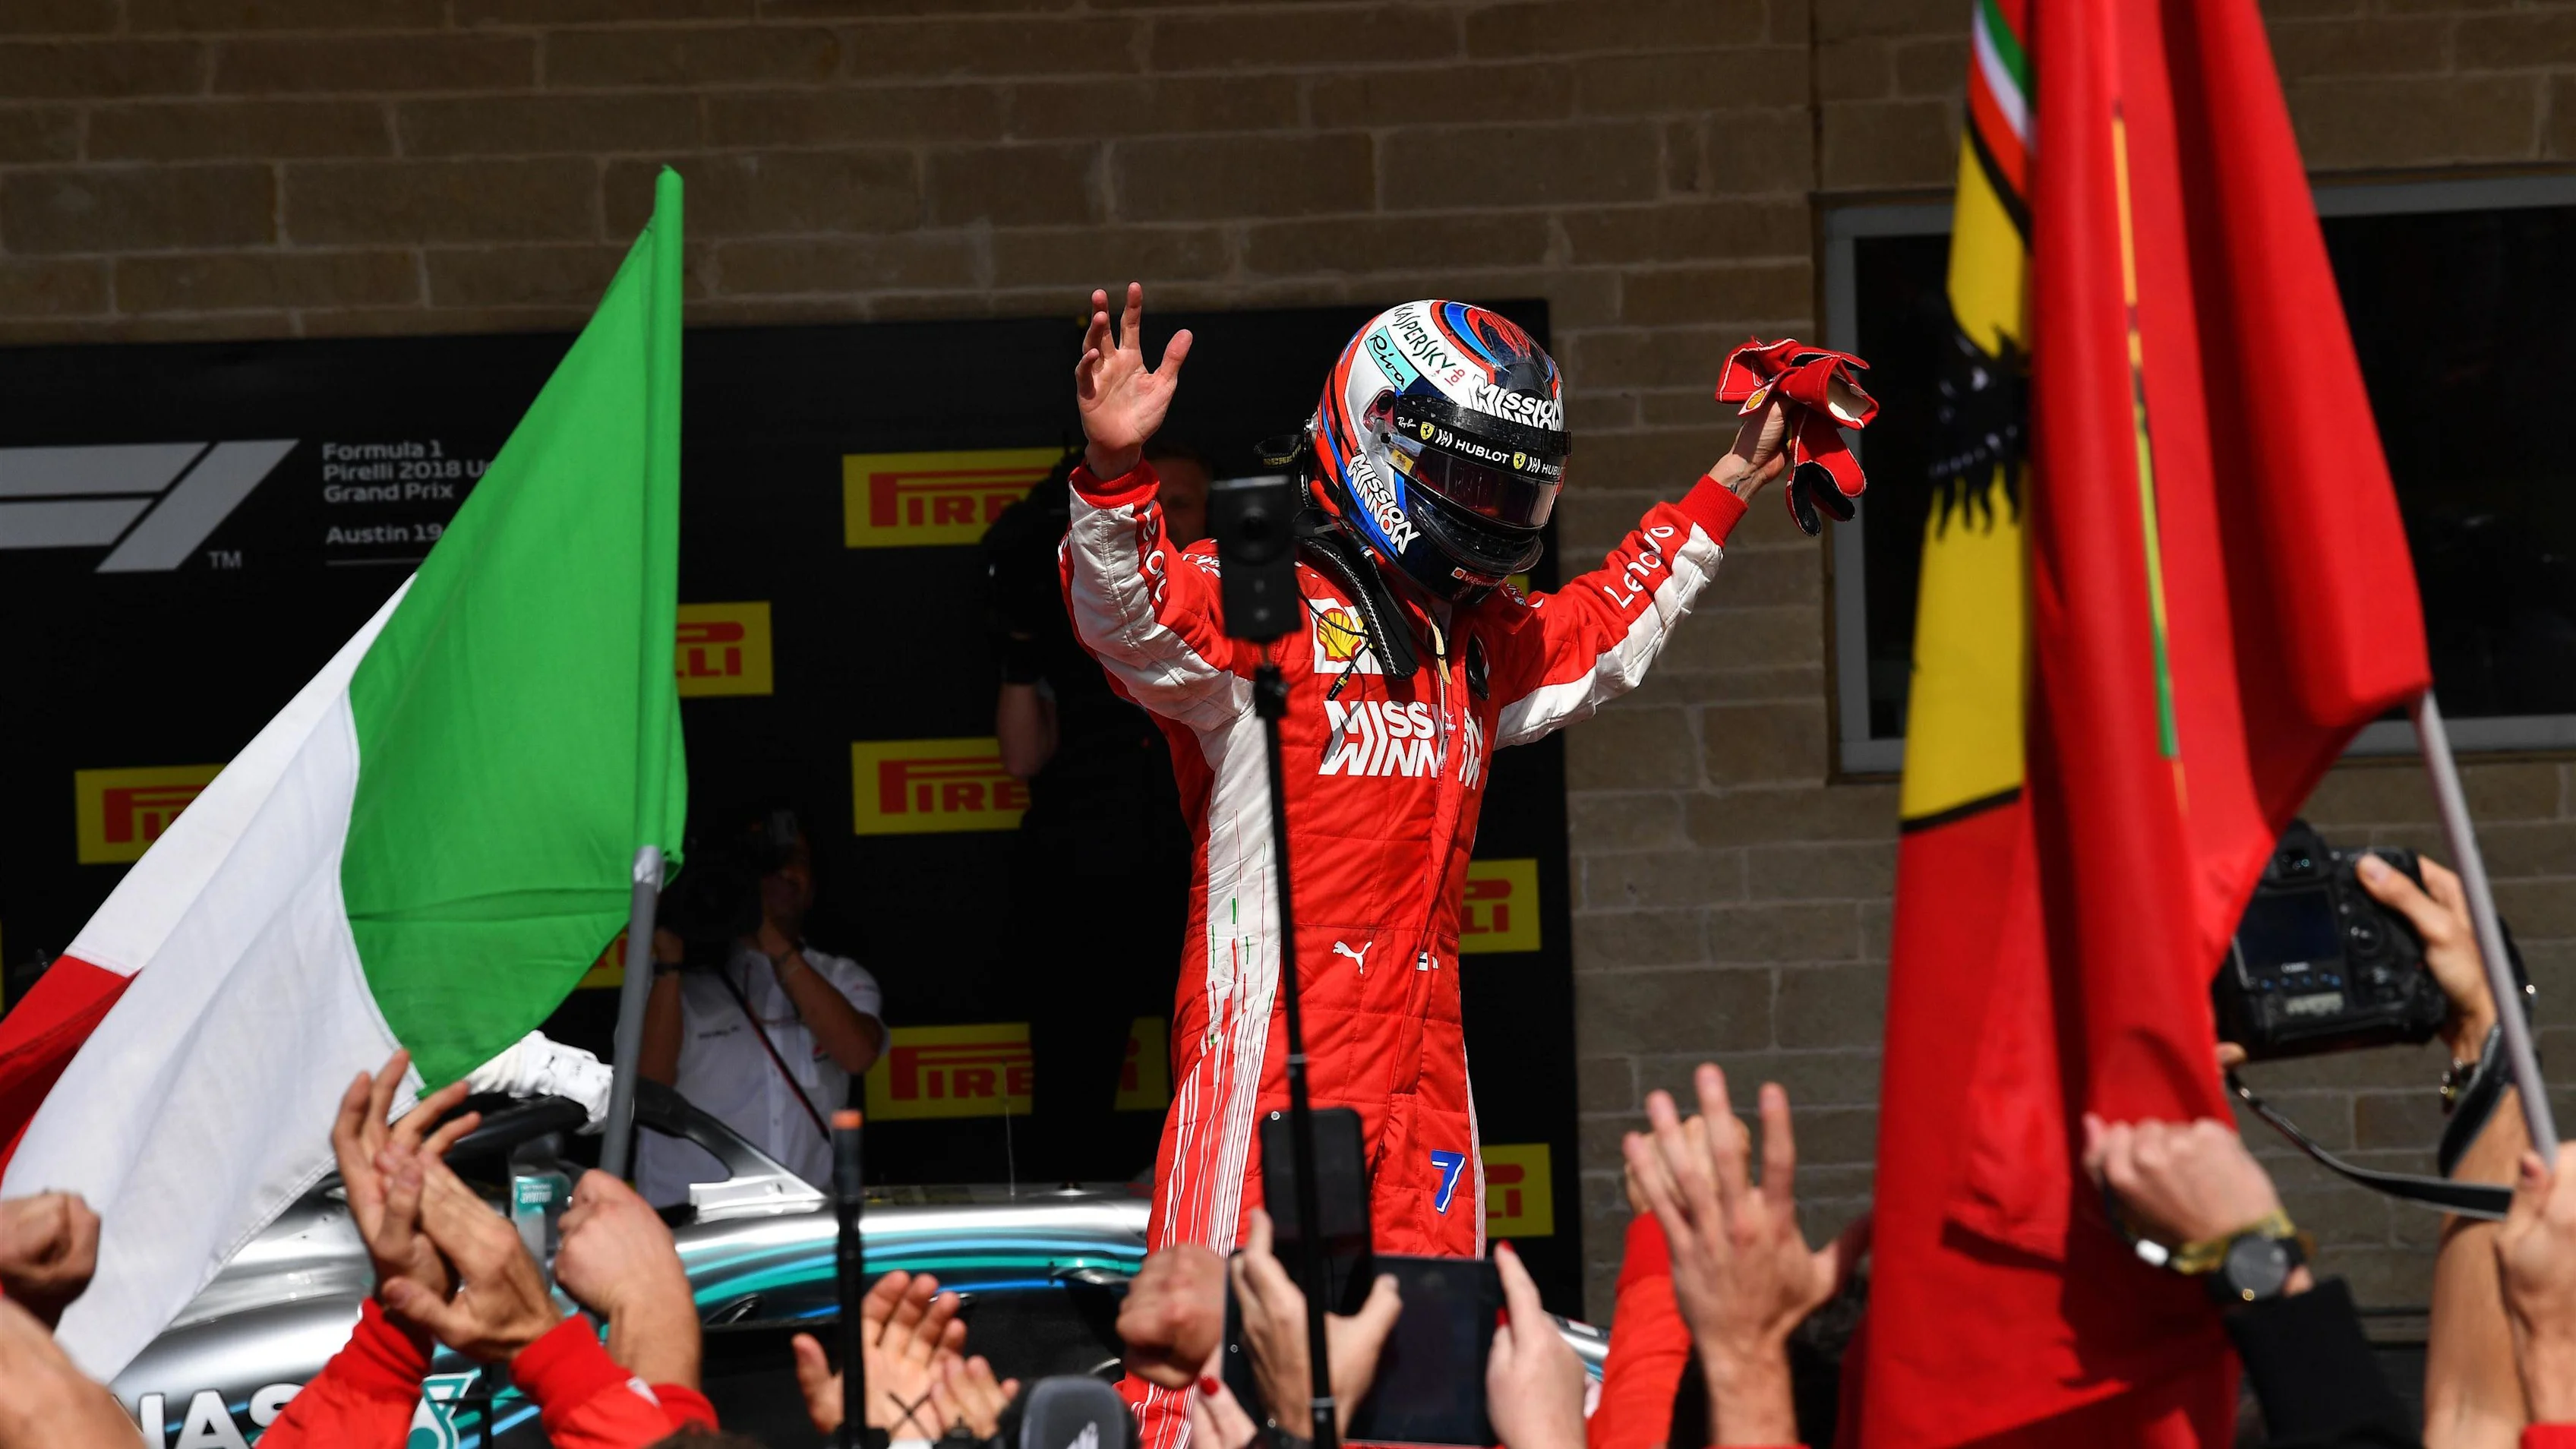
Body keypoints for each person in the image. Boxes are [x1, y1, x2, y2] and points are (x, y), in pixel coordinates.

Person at [1062, 283, 1792, 1443]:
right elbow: (1132, 614)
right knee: (1210, 1392)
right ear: (1378, 435)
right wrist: (1113, 473)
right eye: (1477, 480)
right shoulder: (1273, 605)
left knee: (1431, 1399)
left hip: (1429, 1086)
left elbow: (1605, 631)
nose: (1499, 510)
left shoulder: (1478, 644)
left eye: (1518, 485)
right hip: (1268, 1075)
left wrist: (1733, 482)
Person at [986, 439, 1207, 1185]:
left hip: (1199, 887)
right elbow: (1021, 757)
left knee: (1215, 1075)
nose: (1168, 519)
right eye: (1156, 505)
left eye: (1182, 504)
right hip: (1082, 884)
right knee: (1073, 1090)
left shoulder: (1244, 609)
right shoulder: (1075, 604)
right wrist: (1019, 643)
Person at [638, 806, 886, 1208]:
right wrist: (669, 961)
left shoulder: (841, 977)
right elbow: (646, 1093)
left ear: (815, 887)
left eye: (797, 862)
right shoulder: (673, 983)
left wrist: (768, 936)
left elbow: (857, 1054)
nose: (784, 873)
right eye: (766, 866)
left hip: (808, 1220)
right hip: (691, 1228)